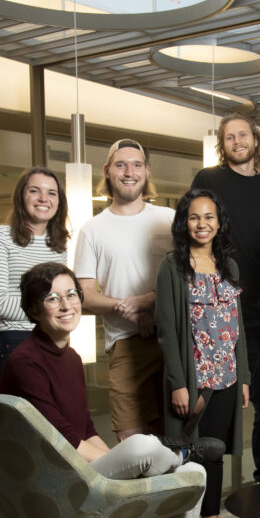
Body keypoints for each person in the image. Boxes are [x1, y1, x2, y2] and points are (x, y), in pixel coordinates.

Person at [0, 262, 231, 518]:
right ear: (33, 309)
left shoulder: (72, 358)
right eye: (52, 299)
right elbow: (60, 443)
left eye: (72, 295)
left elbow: (86, 431)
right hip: (56, 487)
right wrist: (132, 462)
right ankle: (180, 452)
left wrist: (132, 465)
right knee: (140, 445)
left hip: (78, 473)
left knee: (194, 475)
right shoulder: (25, 362)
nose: (66, 306)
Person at [191, 113, 260, 484]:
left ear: (255, 140)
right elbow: (193, 230)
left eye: (242, 135)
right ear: (222, 144)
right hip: (218, 305)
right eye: (229, 137)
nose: (236, 141)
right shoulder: (208, 180)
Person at [156, 188, 250, 518]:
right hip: (194, 384)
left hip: (226, 377)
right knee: (189, 461)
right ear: (184, 222)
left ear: (218, 222)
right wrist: (178, 382)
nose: (202, 224)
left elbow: (238, 326)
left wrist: (243, 375)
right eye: (195, 217)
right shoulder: (172, 267)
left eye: (209, 217)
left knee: (216, 458)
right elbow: (166, 331)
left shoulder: (229, 266)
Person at [75, 139, 173, 441]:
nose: (129, 171)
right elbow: (85, 295)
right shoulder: (92, 229)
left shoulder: (169, 220)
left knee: (174, 441)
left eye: (136, 164)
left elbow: (189, 279)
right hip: (124, 346)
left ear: (146, 171)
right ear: (107, 171)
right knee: (132, 444)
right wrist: (127, 309)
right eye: (121, 164)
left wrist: (148, 301)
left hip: (173, 342)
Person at [0, 166, 69, 389]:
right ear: (21, 196)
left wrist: (54, 311)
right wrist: (51, 311)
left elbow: (60, 298)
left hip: (55, 341)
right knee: (20, 421)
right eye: (34, 191)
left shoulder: (58, 245)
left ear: (59, 201)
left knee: (53, 420)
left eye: (52, 193)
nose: (43, 198)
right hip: (15, 341)